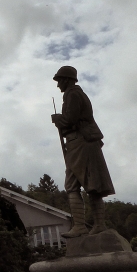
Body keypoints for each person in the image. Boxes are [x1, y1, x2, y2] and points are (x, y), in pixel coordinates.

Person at [51, 66, 115, 238]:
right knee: (88, 185)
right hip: (79, 144)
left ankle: (84, 226)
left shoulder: (72, 94)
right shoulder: (77, 94)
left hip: (80, 143)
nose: (58, 85)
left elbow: (69, 119)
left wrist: (58, 119)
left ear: (66, 80)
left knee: (81, 185)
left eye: (59, 81)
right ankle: (91, 225)